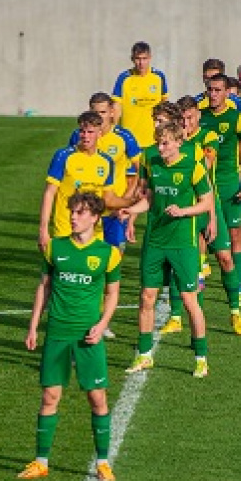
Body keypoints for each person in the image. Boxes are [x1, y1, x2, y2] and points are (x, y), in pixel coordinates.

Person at [19, 192, 122, 481]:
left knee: (96, 397)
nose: (73, 217)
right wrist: (33, 326)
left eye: (79, 213)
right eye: (72, 212)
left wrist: (103, 324)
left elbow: (112, 293)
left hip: (88, 335)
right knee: (50, 395)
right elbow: (44, 287)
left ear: (94, 217)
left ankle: (102, 462)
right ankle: (41, 462)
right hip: (58, 333)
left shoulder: (108, 254)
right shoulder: (54, 248)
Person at [122, 120, 213, 379]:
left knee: (189, 301)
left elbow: (206, 203)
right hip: (155, 241)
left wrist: (183, 211)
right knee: (146, 297)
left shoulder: (192, 167)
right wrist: (131, 211)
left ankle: (201, 357)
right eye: (158, 142)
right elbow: (149, 197)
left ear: (178, 143)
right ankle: (144, 355)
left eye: (165, 143)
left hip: (183, 244)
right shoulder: (153, 162)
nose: (160, 148)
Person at [160, 94, 241, 335]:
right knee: (182, 266)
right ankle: (176, 317)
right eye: (183, 118)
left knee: (225, 259)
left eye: (191, 117)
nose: (187, 123)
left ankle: (235, 312)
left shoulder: (207, 138)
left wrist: (211, 217)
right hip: (184, 213)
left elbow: (207, 168)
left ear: (199, 115)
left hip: (209, 206)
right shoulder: (170, 144)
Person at [68, 93, 141, 339]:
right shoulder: (80, 138)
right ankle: (91, 319)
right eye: (94, 111)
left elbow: (139, 169)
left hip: (113, 211)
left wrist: (129, 199)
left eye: (102, 112)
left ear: (111, 112)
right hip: (86, 216)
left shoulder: (124, 138)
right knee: (89, 267)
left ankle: (101, 319)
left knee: (110, 266)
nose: (98, 116)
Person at [200, 73, 241, 307]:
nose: (213, 94)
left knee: (236, 237)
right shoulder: (200, 117)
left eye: (218, 90)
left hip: (230, 187)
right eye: (210, 90)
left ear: (227, 92)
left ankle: (238, 286)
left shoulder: (238, 118)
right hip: (206, 188)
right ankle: (198, 282)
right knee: (203, 236)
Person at [39, 110, 135, 254]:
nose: (85, 136)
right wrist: (43, 229)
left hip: (94, 232)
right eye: (82, 131)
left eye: (90, 132)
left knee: (95, 273)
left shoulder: (106, 161)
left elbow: (108, 199)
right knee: (62, 274)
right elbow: (49, 193)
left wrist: (134, 202)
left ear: (99, 134)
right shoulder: (64, 156)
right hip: (66, 229)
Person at [111, 41, 169, 149]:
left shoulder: (158, 76)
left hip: (153, 138)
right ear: (132, 59)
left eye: (144, 58)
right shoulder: (124, 78)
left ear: (150, 58)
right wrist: (114, 129)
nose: (141, 63)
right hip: (129, 138)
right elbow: (116, 107)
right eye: (138, 59)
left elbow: (164, 105)